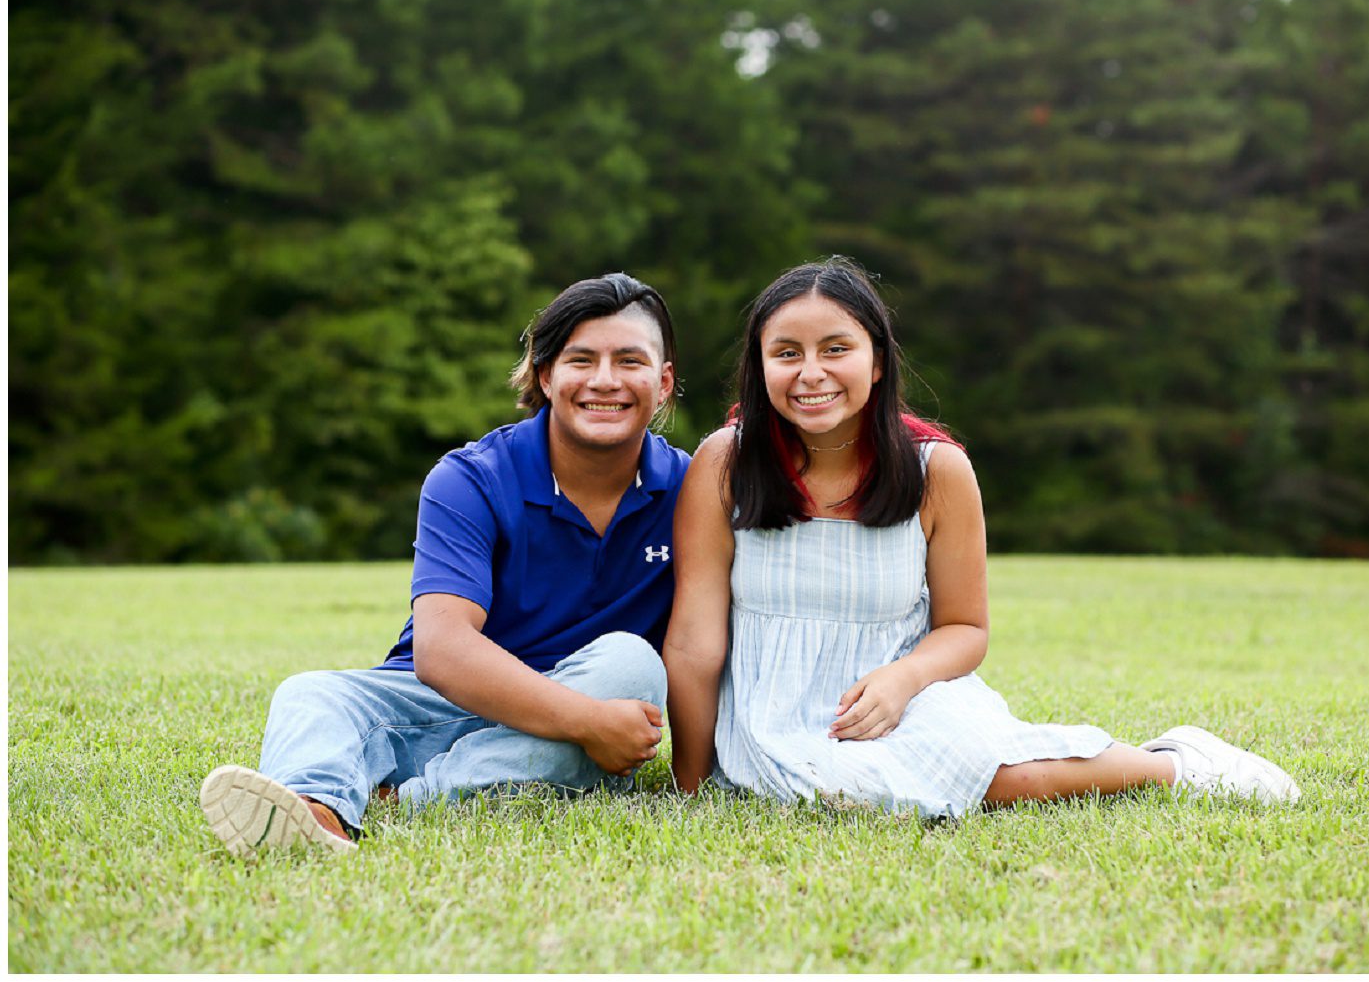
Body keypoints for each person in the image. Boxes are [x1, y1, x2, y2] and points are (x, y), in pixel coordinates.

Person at [663, 257, 1299, 817]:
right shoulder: (725, 462)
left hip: (908, 694)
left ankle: (1177, 763)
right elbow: (694, 642)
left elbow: (965, 629)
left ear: (877, 361)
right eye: (787, 353)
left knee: (991, 777)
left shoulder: (937, 470)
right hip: (771, 715)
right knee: (848, 792)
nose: (811, 373)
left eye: (836, 349)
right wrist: (690, 785)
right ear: (761, 365)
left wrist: (902, 680)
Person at [198, 273, 690, 855]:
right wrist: (587, 724)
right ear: (546, 375)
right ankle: (315, 813)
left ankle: (402, 799)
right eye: (581, 359)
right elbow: (443, 650)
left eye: (628, 360)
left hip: (585, 691)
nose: (604, 380)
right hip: (446, 704)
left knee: (632, 667)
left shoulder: (693, 488)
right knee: (311, 693)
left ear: (662, 384)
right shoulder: (470, 477)